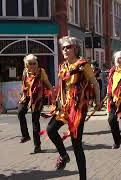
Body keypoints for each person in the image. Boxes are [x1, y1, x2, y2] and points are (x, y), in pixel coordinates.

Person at [46, 36, 101, 180]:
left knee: (76, 144)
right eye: (63, 47)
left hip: (78, 108)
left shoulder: (83, 65)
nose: (65, 50)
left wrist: (98, 101)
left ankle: (83, 177)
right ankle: (64, 155)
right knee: (51, 130)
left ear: (75, 49)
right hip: (64, 107)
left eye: (68, 47)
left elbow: (94, 82)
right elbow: (62, 87)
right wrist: (56, 99)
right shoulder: (63, 66)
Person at [18, 54, 55, 153]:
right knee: (20, 112)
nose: (33, 65)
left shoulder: (41, 72)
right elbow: (24, 84)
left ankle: (37, 146)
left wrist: (54, 97)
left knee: (35, 122)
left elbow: (48, 83)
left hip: (37, 99)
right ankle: (25, 136)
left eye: (34, 63)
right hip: (26, 96)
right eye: (30, 63)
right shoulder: (25, 72)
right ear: (26, 64)